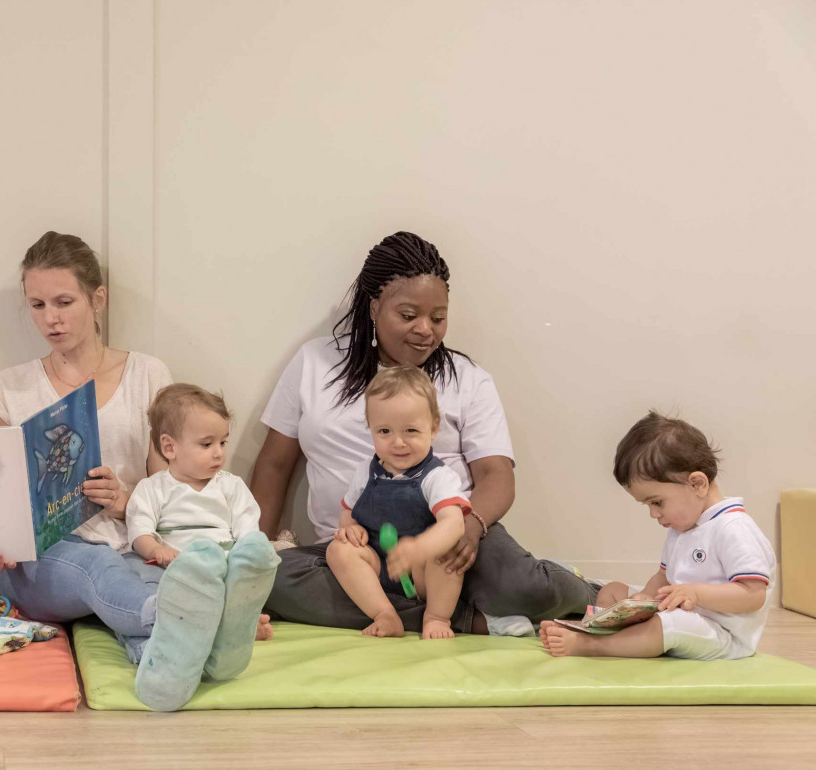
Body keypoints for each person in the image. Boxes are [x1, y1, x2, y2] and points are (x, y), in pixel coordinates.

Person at [253, 231, 597, 634]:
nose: (425, 330)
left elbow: (496, 475)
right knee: (269, 579)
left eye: (438, 318)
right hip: (355, 555)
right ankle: (470, 619)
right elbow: (275, 465)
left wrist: (469, 530)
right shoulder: (314, 362)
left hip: (451, 538)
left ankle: (588, 593)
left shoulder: (469, 380)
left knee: (521, 586)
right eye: (408, 315)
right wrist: (254, 551)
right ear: (374, 306)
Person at [0, 232, 255, 711]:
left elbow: (168, 489)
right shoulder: (5, 391)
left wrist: (125, 499)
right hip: (38, 561)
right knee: (100, 566)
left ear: (98, 298)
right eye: (38, 304)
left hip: (132, 542)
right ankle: (203, 623)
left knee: (134, 581)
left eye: (65, 301)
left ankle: (172, 671)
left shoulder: (148, 375)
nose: (51, 318)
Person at [541, 412, 774, 659]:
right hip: (682, 614)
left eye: (657, 502)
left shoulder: (733, 527)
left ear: (697, 484)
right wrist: (645, 599)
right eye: (648, 505)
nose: (653, 514)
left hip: (721, 634)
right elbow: (664, 577)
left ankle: (592, 646)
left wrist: (695, 594)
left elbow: (752, 595)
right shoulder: (682, 528)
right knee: (612, 590)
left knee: (670, 625)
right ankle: (596, 630)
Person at [126, 383, 278, 650]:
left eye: (223, 442)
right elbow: (139, 529)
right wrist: (156, 549)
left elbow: (248, 530)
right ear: (169, 447)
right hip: (176, 568)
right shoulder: (153, 488)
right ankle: (222, 629)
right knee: (152, 587)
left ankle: (238, 622)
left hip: (223, 565)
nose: (218, 452)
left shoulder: (231, 486)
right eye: (206, 444)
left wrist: (248, 556)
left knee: (243, 579)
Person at [327, 366, 469, 639]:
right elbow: (348, 512)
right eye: (384, 431)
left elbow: (453, 524)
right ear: (370, 428)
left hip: (424, 574)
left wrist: (419, 549)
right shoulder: (366, 473)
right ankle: (385, 614)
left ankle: (436, 617)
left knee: (446, 551)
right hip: (380, 568)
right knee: (338, 550)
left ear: (434, 427)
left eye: (411, 430)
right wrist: (350, 528)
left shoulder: (437, 477)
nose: (398, 442)